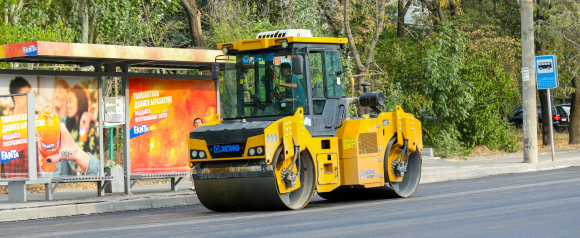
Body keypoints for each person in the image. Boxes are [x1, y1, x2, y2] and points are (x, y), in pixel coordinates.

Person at [44, 84, 99, 176]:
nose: (68, 105)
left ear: (80, 101)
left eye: (70, 101)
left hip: (83, 181)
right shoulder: (69, 126)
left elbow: (97, 166)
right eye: (67, 102)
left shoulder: (88, 126)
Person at [1, 77, 32, 178]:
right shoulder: (4, 128)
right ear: (17, 98)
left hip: (32, 188)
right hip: (8, 188)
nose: (30, 99)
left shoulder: (32, 127)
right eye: (27, 94)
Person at [190, 118, 203, 191]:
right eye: (196, 123)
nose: (198, 124)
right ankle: (193, 185)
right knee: (193, 170)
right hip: (196, 154)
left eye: (199, 122)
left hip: (203, 154)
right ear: (194, 124)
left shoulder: (205, 132)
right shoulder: (192, 133)